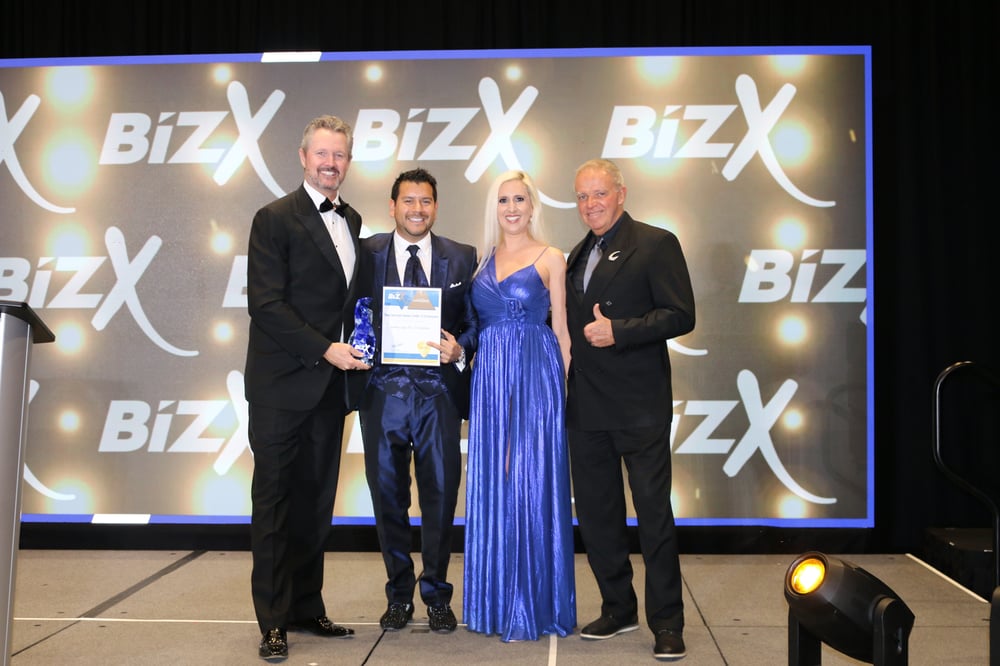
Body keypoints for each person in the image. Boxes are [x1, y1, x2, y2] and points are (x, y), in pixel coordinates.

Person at [243, 115, 370, 660]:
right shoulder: (273, 218)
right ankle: (272, 621)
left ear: (348, 161)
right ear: (303, 157)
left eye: (339, 154)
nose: (330, 163)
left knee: (316, 504)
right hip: (280, 387)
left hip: (329, 391)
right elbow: (266, 304)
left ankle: (305, 607)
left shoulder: (353, 219)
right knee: (274, 505)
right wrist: (325, 349)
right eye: (322, 153)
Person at [565, 158, 695, 661]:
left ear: (621, 193)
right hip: (587, 408)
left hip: (639, 406)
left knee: (654, 518)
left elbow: (681, 314)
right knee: (598, 518)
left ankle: (667, 622)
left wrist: (619, 331)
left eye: (599, 193)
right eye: (582, 196)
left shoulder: (656, 243)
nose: (590, 204)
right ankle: (618, 608)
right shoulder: (578, 253)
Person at [351, 167, 478, 634]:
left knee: (440, 497)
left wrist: (460, 348)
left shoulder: (461, 256)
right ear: (392, 206)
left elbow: (474, 322)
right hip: (382, 393)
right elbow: (349, 311)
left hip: (438, 395)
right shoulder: (365, 253)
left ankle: (438, 596)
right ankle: (399, 595)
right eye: (408, 201)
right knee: (387, 497)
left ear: (435, 207)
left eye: (425, 201)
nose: (417, 209)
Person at [462, 170, 577, 642]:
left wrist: (561, 394)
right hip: (489, 380)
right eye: (504, 200)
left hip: (536, 378)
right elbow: (473, 327)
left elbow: (562, 331)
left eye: (519, 200)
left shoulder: (552, 258)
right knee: (496, 479)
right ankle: (493, 602)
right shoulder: (480, 262)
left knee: (530, 479)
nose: (511, 208)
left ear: (533, 207)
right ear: (495, 207)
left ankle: (534, 601)